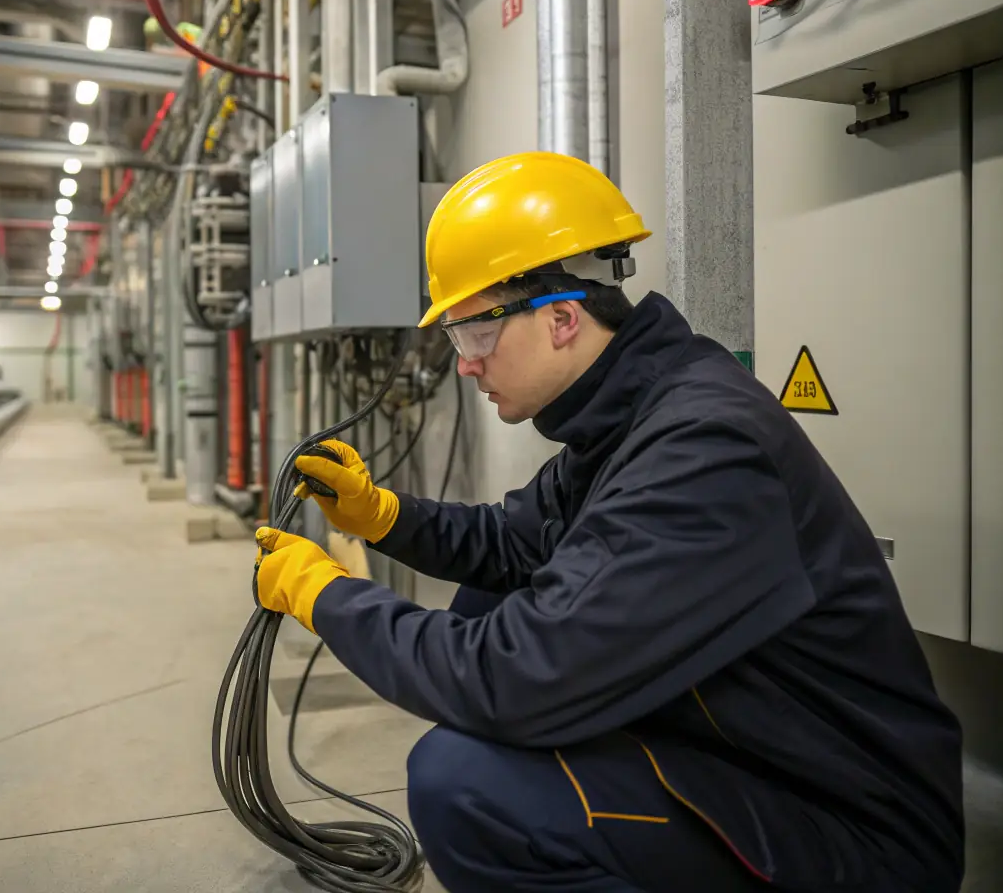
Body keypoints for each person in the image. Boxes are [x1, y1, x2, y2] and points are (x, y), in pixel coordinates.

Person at [253, 152, 965, 893]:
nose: (464, 366)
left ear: (559, 318)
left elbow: (512, 675)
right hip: (742, 754)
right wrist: (382, 516)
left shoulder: (702, 450)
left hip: (852, 834)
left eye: (471, 337)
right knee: (486, 596)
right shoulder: (631, 413)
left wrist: (327, 598)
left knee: (463, 785)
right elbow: (511, 542)